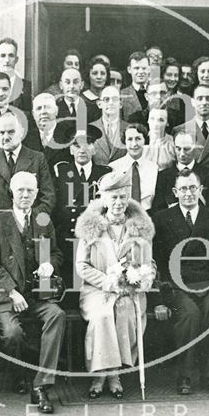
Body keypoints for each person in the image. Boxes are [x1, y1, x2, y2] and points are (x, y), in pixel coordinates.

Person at [0, 171, 66, 414]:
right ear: (11, 192)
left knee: (57, 315)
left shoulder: (43, 220)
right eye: (20, 190)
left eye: (30, 190)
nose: (25, 195)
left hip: (37, 294)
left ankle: (41, 384)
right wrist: (11, 292)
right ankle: (18, 373)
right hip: (6, 294)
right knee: (12, 333)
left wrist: (50, 264)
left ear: (36, 193)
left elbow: (57, 253)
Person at [75, 169, 156, 398]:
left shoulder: (140, 226)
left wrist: (140, 277)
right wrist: (109, 281)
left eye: (122, 197)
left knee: (126, 312)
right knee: (102, 316)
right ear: (104, 198)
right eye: (113, 197)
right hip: (96, 289)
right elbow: (82, 266)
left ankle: (115, 372)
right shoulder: (91, 227)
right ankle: (102, 375)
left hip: (129, 291)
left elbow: (147, 263)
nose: (118, 203)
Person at [153, 168, 209, 396]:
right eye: (183, 189)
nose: (188, 193)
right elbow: (155, 261)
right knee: (189, 315)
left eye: (193, 188)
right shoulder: (162, 219)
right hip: (176, 286)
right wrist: (159, 298)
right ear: (175, 192)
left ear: (200, 190)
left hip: (208, 283)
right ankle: (184, 376)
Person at [52, 124, 111, 302]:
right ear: (71, 149)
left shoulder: (105, 174)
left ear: (94, 149)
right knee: (70, 298)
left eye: (87, 144)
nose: (82, 149)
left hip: (96, 245)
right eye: (77, 145)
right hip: (68, 244)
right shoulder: (60, 172)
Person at [0, 112, 56, 214]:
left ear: (21, 132)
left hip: (29, 226)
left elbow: (48, 198)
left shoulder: (38, 159)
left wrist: (28, 218)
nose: (6, 137)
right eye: (2, 133)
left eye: (11, 132)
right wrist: (0, 220)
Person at [152, 131, 209, 212]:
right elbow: (158, 210)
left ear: (195, 148)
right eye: (178, 148)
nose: (182, 154)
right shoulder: (163, 176)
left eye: (186, 149)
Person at [173, 84, 209, 168]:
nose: (204, 102)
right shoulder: (179, 130)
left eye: (208, 98)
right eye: (199, 99)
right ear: (193, 102)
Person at [109, 124, 159, 212]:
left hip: (148, 215)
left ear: (145, 140)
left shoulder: (153, 168)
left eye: (138, 139)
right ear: (124, 142)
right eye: (130, 139)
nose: (134, 144)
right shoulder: (113, 167)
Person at [23, 92, 71, 167]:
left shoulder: (69, 136)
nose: (43, 112)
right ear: (33, 114)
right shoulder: (25, 140)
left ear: (56, 111)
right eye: (39, 108)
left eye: (48, 107)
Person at [91, 85, 128, 165]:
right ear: (99, 104)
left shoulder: (129, 129)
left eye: (115, 99)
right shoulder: (90, 129)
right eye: (106, 99)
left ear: (121, 104)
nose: (111, 103)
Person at [121, 51, 150, 120]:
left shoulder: (157, 92)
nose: (140, 72)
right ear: (129, 69)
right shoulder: (121, 95)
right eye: (136, 68)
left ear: (149, 69)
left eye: (144, 68)